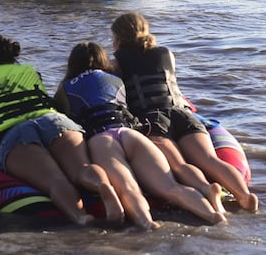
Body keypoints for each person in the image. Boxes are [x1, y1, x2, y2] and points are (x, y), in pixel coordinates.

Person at [54, 42, 227, 228]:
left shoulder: (66, 87)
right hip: (130, 134)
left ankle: (147, 223)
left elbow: (64, 118)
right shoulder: (115, 79)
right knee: (171, 187)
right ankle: (212, 215)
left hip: (102, 139)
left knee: (129, 188)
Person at [0, 32, 124, 225]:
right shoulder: (30, 72)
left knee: (55, 180)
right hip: (55, 121)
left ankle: (81, 217)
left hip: (16, 132)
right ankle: (103, 185)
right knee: (82, 169)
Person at [110, 12, 260, 212]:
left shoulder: (117, 63)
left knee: (179, 165)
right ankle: (245, 195)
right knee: (209, 160)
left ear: (118, 38)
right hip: (183, 115)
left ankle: (207, 190)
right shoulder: (166, 54)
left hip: (153, 120)